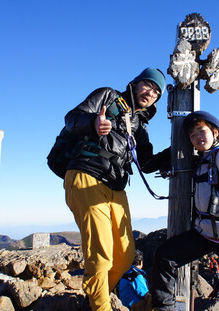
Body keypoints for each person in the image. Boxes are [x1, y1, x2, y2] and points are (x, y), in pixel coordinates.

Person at [64, 68, 170, 311]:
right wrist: (93, 122)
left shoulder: (140, 126)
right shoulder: (107, 96)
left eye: (156, 92)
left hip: (116, 185)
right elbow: (71, 119)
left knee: (124, 255)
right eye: (148, 85)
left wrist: (176, 153)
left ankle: (94, 299)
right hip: (86, 174)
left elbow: (145, 161)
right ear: (134, 83)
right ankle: (99, 306)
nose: (151, 92)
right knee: (100, 253)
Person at [150, 111, 219, 311]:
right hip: (206, 234)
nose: (197, 137)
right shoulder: (202, 160)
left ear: (215, 133)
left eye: (201, 131)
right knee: (164, 257)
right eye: (192, 134)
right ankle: (166, 307)